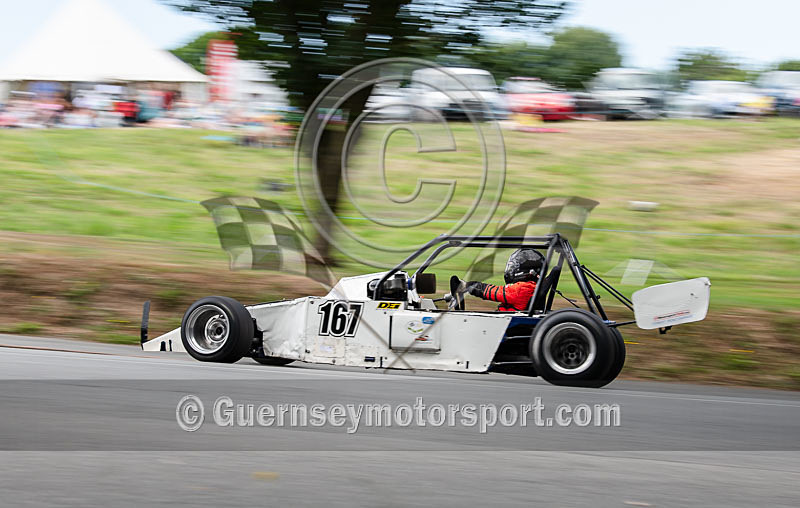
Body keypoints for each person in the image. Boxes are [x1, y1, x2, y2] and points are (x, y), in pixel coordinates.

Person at [460, 249, 545, 312]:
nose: (511, 270)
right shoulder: (530, 288)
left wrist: (469, 286)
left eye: (513, 267)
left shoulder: (523, 288)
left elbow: (495, 292)